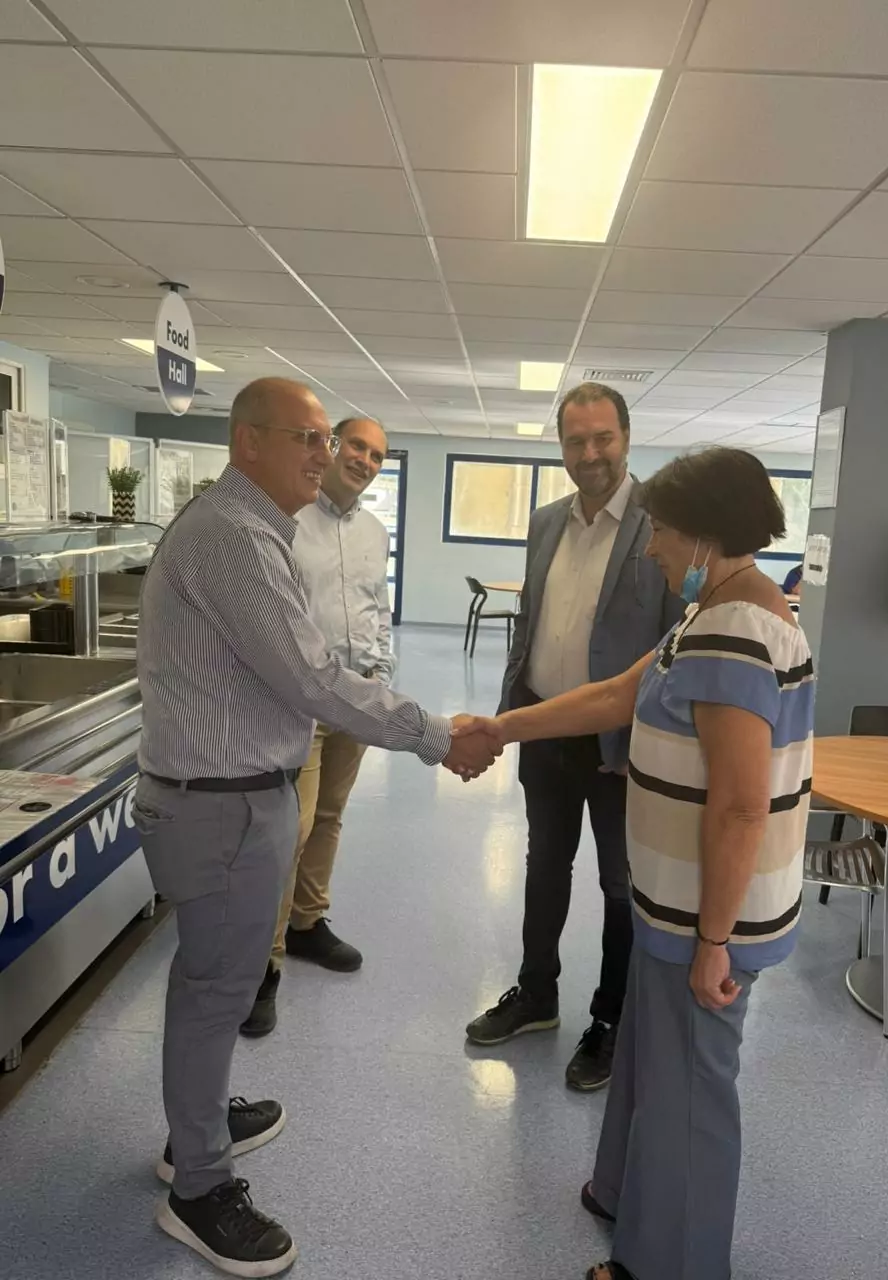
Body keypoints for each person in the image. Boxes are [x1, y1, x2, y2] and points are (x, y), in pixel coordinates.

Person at [135, 377, 498, 1277]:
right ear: (247, 442)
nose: (323, 454)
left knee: (215, 980)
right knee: (215, 987)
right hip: (219, 803)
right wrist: (436, 734)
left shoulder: (260, 530)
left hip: (240, 793)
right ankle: (197, 1186)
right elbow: (307, 675)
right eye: (305, 437)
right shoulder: (233, 535)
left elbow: (308, 666)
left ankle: (198, 1125)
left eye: (323, 440)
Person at [466, 446, 814, 1280]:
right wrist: (501, 728)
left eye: (661, 531)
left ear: (704, 535)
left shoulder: (733, 634)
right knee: (652, 1058)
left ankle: (669, 1264)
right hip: (679, 899)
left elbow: (740, 805)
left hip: (707, 913)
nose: (652, 547)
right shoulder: (720, 608)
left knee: (690, 1089)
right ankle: (622, 1190)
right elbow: (616, 695)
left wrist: (714, 941)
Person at [465, 382, 682, 1092]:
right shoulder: (546, 522)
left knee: (621, 885)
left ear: (627, 438)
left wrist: (649, 739)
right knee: (543, 866)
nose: (590, 453)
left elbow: (677, 641)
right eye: (576, 440)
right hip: (545, 726)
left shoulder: (663, 525)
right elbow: (530, 625)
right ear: (561, 446)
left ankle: (610, 1020)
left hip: (621, 744)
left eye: (602, 438)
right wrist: (508, 716)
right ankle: (537, 995)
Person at [242, 416, 393, 1037]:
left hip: (355, 698)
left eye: (376, 455)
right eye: (356, 446)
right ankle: (263, 962)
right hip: (298, 702)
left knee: (329, 816)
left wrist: (382, 673)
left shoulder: (375, 532)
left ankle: (307, 922)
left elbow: (378, 609)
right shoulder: (286, 520)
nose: (365, 460)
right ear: (331, 446)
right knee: (292, 827)